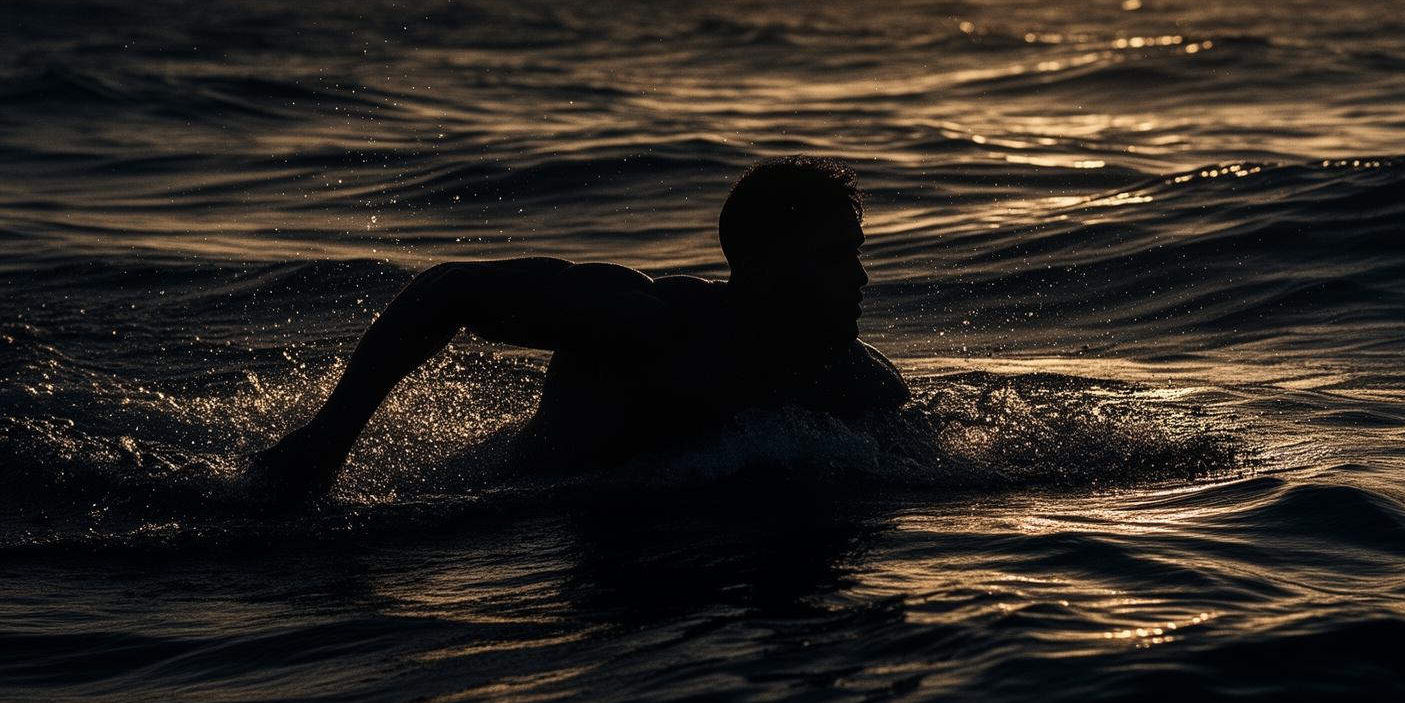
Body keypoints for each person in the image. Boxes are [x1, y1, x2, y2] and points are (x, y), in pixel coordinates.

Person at [248, 155, 909, 497]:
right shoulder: (643, 323)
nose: (859, 279)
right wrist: (329, 437)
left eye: (856, 254)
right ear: (760, 263)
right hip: (512, 510)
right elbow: (447, 290)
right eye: (832, 258)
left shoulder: (859, 380)